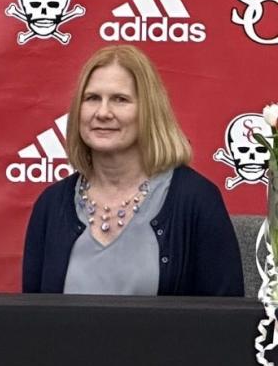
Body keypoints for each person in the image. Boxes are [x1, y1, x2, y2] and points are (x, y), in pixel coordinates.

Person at [22, 45, 243, 296]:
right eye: (92, 98)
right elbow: (33, 323)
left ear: (149, 111)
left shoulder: (197, 200)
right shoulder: (50, 205)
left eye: (120, 99)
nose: (103, 113)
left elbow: (225, 323)